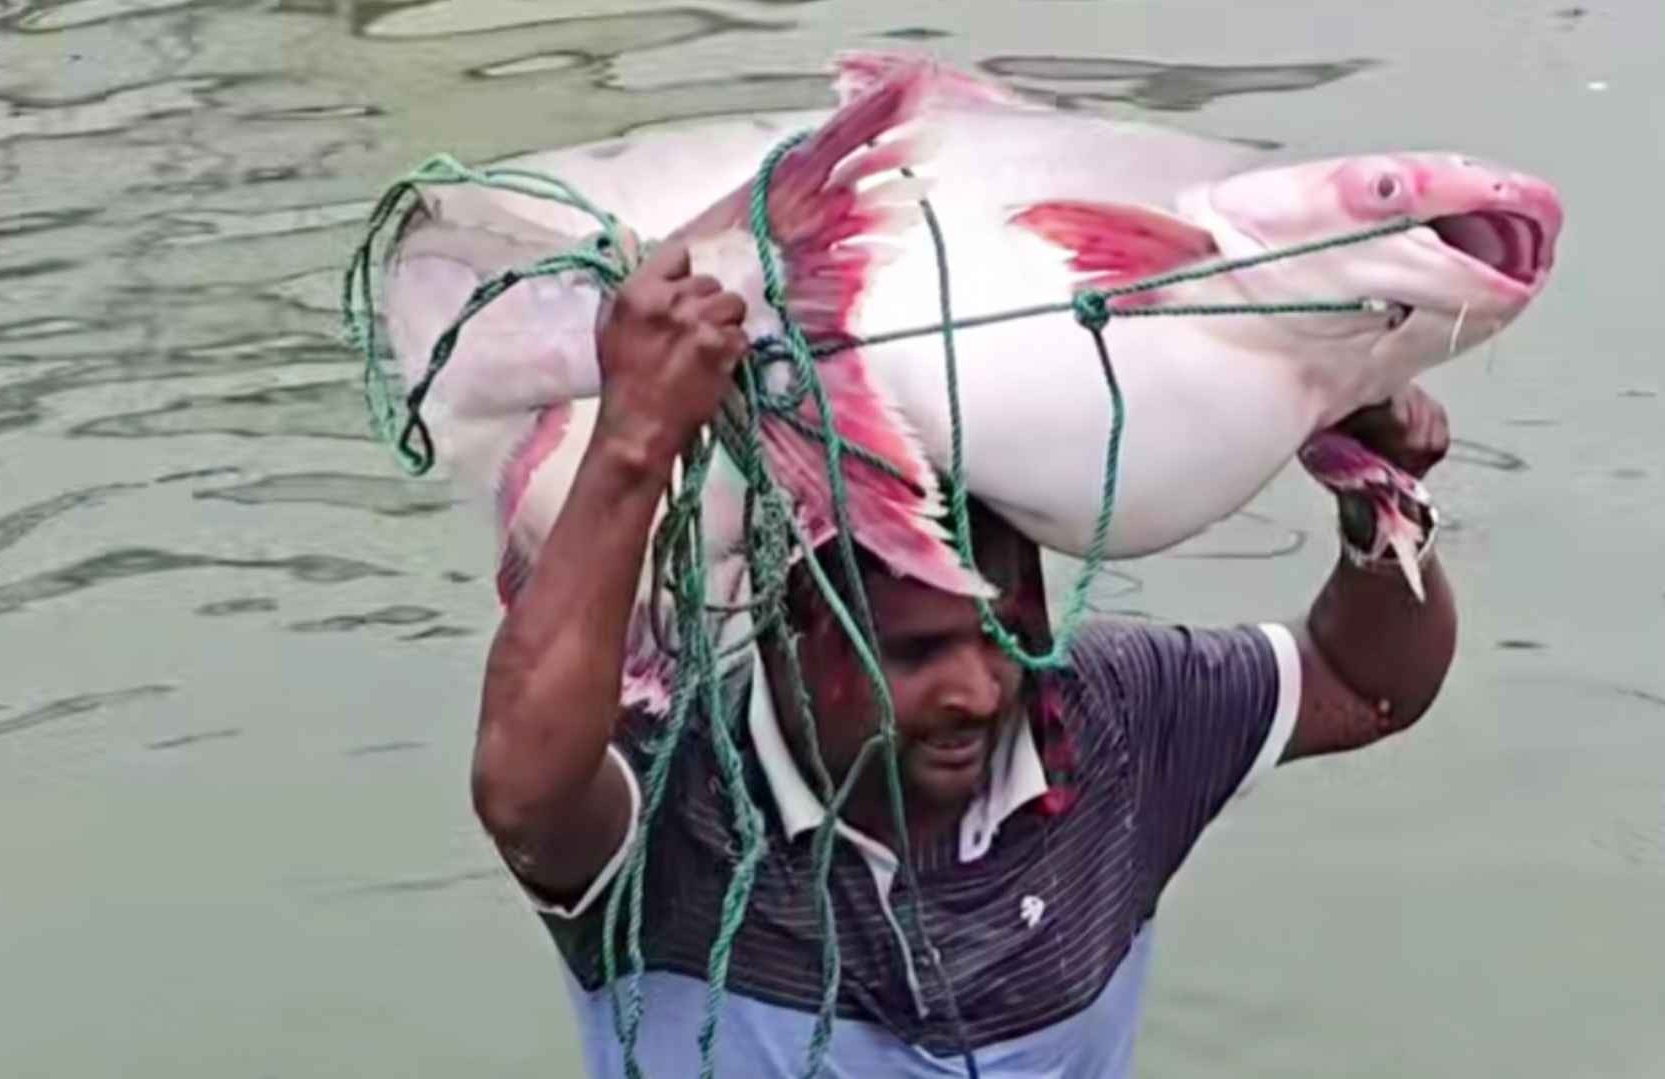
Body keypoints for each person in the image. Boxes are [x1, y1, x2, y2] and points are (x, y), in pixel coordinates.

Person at [470, 236, 1458, 1076]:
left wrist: (1378, 491)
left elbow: (1367, 683)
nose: (980, 687)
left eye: (1007, 632)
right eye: (915, 650)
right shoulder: (676, 796)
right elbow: (522, 789)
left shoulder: (1114, 718)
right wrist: (636, 436)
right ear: (787, 634)